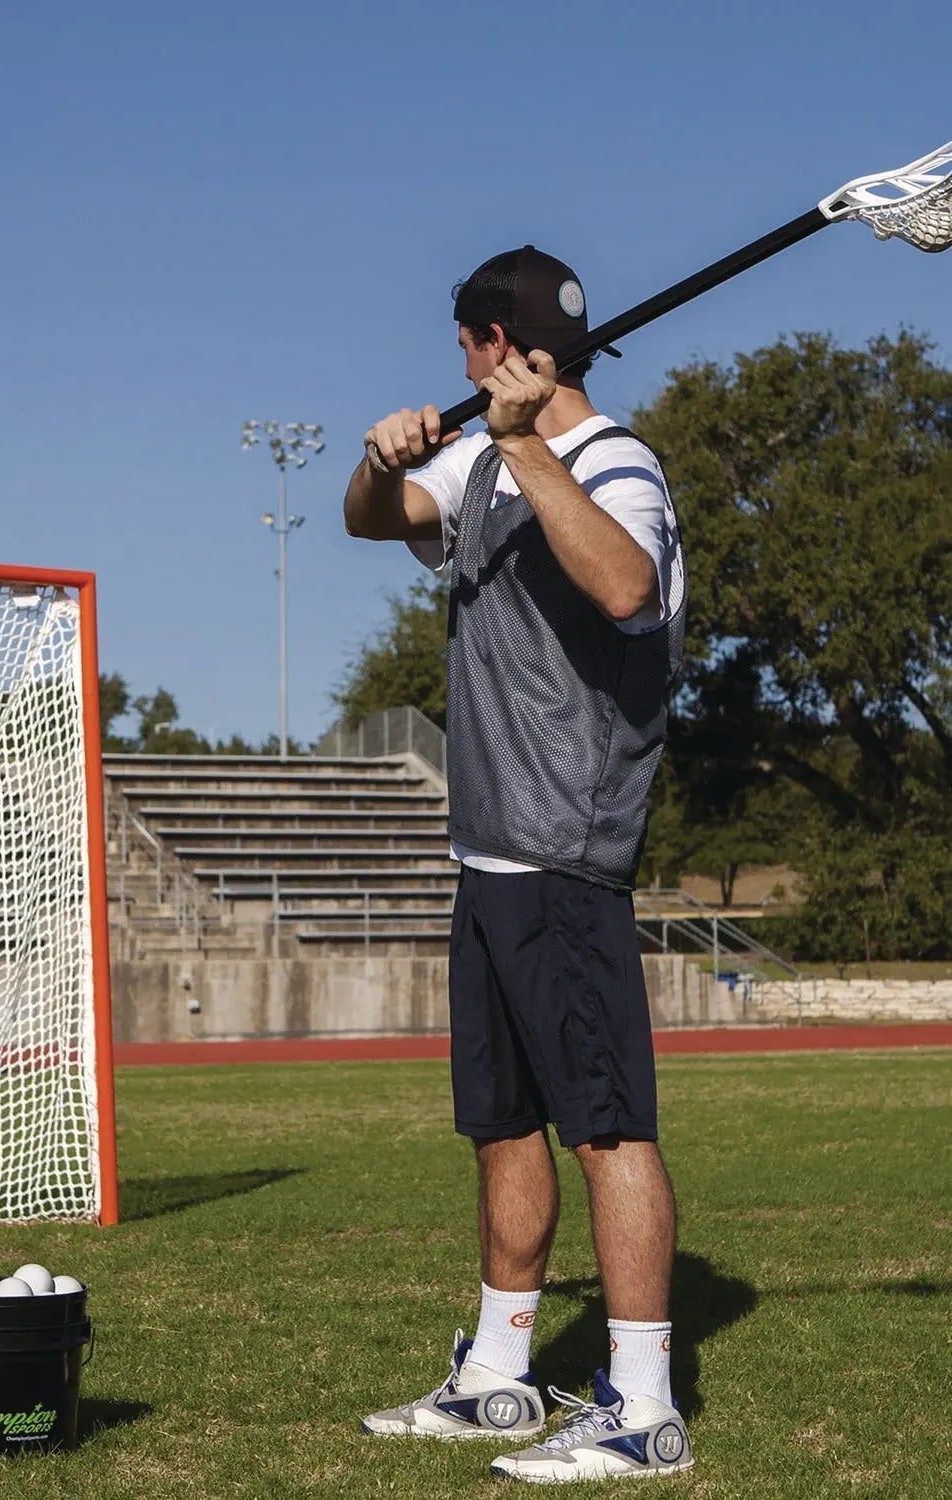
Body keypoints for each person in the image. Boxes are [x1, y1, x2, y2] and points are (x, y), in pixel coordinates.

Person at [344, 246, 692, 1484]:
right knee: (503, 1129)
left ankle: (643, 1407)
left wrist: (527, 443)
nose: (459, 366)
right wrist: (380, 461)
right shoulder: (481, 461)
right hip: (488, 851)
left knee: (607, 1129)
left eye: (467, 344)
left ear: (500, 344)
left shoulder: (613, 465)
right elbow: (375, 522)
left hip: (566, 851)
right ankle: (500, 1378)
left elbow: (624, 582)